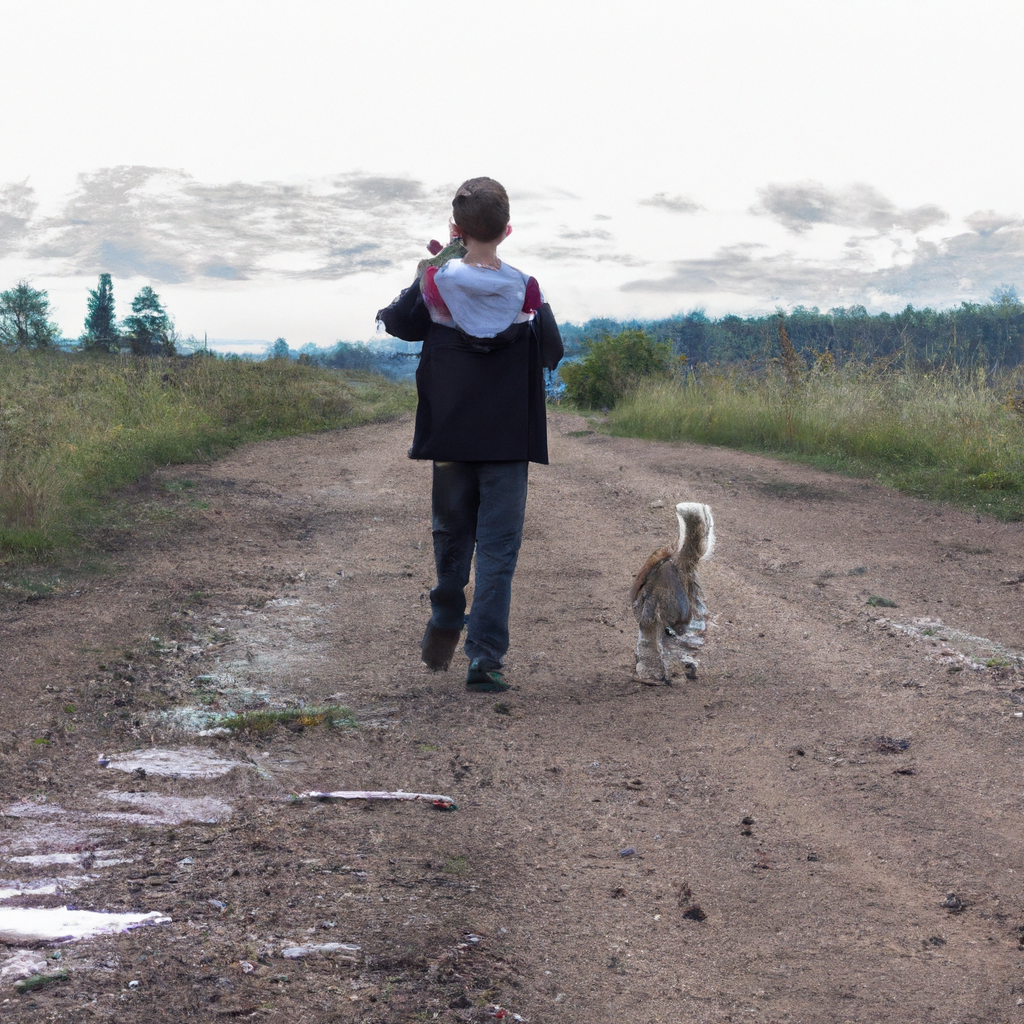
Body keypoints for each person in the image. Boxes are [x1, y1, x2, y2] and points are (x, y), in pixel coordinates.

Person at [376, 177, 563, 692]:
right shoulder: (526, 288)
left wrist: (431, 268)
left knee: (451, 533)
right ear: (506, 230)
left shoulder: (437, 281)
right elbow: (552, 351)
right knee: (498, 551)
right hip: (507, 442)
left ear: (456, 229)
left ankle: (444, 613)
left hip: (452, 437)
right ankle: (485, 661)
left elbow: (397, 322)